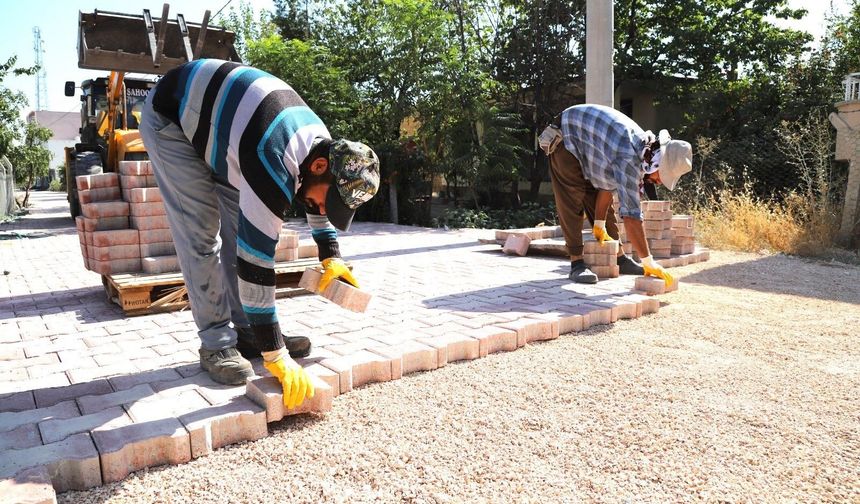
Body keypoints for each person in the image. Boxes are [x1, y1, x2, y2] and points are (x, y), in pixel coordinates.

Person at [140, 59, 380, 409]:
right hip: (173, 119)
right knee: (202, 235)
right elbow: (256, 264)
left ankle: (249, 333)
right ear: (318, 166)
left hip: (227, 131)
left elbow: (316, 198)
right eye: (330, 203)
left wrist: (331, 256)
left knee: (242, 229)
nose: (325, 210)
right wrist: (277, 356)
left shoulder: (327, 149)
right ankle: (217, 343)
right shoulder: (274, 158)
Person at [538, 104, 691, 285]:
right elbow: (632, 217)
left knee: (594, 194)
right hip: (566, 138)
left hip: (587, 144)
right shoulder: (630, 158)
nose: (659, 182)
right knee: (572, 198)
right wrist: (648, 261)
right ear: (657, 164)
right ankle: (576, 262)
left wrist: (599, 224)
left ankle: (618, 257)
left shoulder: (645, 149)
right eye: (662, 176)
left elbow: (606, 187)